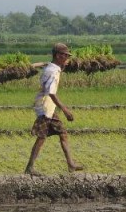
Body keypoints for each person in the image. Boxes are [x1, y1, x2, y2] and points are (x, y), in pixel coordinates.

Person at [24, 43, 83, 176]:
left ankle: (71, 164)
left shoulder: (53, 67)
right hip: (45, 107)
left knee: (62, 133)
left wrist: (60, 66)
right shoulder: (52, 71)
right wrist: (65, 110)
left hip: (49, 106)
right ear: (57, 55)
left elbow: (45, 64)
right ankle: (30, 168)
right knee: (41, 137)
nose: (67, 58)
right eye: (65, 55)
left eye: (68, 56)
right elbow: (51, 93)